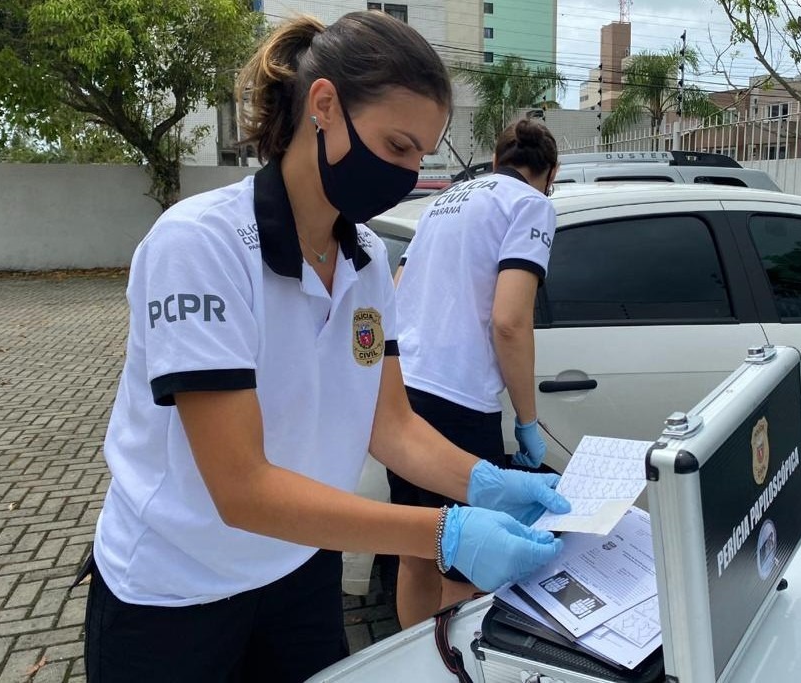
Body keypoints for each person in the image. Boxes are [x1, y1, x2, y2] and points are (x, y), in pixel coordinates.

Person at [82, 12, 570, 683]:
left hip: (299, 567)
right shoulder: (200, 245)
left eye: (421, 155)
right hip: (174, 593)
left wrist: (486, 482)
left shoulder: (367, 260)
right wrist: (445, 531)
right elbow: (241, 488)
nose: (407, 172)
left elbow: (391, 424)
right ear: (324, 108)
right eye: (397, 145)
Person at [390, 119, 561, 626]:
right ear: (550, 172)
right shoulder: (531, 204)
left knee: (415, 545)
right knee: (464, 572)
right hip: (458, 402)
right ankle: (451, 666)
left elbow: (397, 287)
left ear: (495, 161)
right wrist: (527, 422)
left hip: (402, 391)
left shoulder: (444, 202)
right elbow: (509, 322)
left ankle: (416, 668)